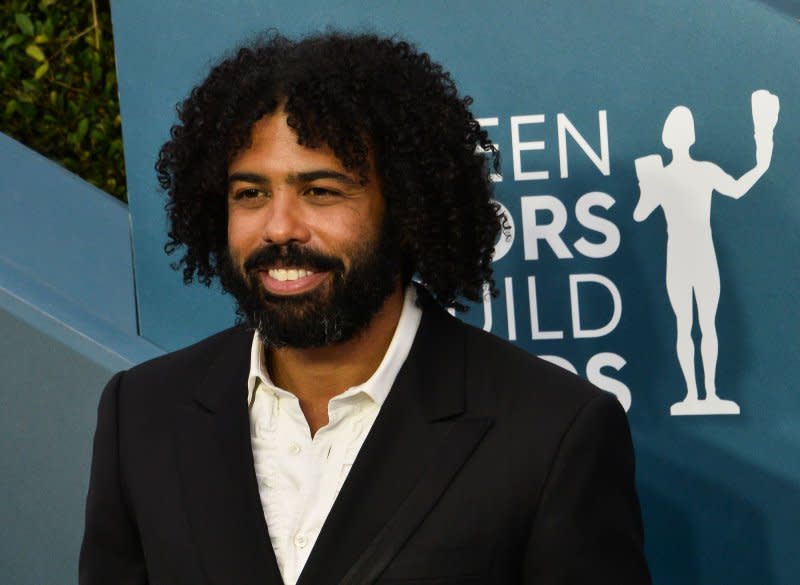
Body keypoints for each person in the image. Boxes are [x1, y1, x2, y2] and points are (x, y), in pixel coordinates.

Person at [80, 31, 650, 584]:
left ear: (406, 211)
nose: (279, 227)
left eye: (321, 191)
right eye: (250, 194)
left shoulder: (550, 431)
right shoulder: (143, 414)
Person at [634, 91, 778, 416]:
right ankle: (693, 394)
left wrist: (764, 153)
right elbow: (641, 213)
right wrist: (647, 185)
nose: (682, 134)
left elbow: (738, 189)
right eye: (679, 129)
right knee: (687, 325)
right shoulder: (663, 175)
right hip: (682, 258)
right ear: (670, 137)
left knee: (704, 325)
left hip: (702, 256)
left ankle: (708, 394)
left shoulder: (702, 170)